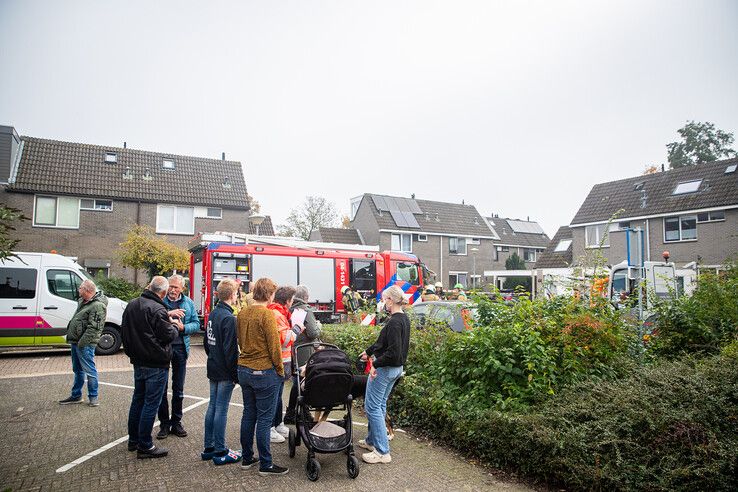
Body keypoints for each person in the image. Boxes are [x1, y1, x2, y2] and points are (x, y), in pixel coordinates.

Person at [122, 276, 179, 459]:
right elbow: (167, 334)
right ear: (162, 292)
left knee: (138, 400)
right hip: (156, 362)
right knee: (150, 404)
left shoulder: (132, 304)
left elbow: (127, 330)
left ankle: (134, 439)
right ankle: (145, 445)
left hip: (138, 361)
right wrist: (175, 325)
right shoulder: (158, 308)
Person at [237, 277, 289, 476]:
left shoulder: (242, 314)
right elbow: (274, 347)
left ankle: (247, 458)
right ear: (269, 294)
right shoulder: (266, 315)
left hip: (244, 369)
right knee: (265, 419)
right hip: (264, 371)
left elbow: (241, 341)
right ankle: (266, 464)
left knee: (248, 414)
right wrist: (279, 370)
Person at [358, 285, 410, 464]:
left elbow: (393, 352)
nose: (383, 303)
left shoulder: (394, 322)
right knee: (379, 405)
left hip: (386, 369)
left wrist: (375, 363)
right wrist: (368, 351)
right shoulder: (403, 319)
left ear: (391, 300)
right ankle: (372, 441)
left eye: (384, 299)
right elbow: (384, 342)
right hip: (396, 369)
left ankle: (382, 451)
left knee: (372, 407)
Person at [202, 279, 242, 465]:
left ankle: (208, 447)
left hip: (213, 366)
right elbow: (230, 350)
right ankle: (220, 450)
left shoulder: (212, 314)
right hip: (225, 371)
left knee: (212, 406)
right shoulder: (228, 318)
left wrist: (213, 357)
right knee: (222, 409)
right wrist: (235, 374)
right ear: (233, 295)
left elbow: (207, 343)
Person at [157, 274, 200, 440]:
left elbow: (196, 324)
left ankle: (176, 422)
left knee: (178, 388)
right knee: (161, 387)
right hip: (162, 348)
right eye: (170, 286)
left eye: (176, 287)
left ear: (182, 288)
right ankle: (164, 424)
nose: (172, 290)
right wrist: (168, 315)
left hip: (181, 348)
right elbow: (153, 320)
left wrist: (183, 327)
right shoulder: (160, 301)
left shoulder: (188, 303)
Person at [58, 279, 108, 407]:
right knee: (78, 370)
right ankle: (76, 396)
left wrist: (82, 343)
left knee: (90, 371)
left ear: (87, 290)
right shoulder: (82, 301)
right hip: (76, 342)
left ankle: (93, 398)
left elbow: (94, 328)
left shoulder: (98, 306)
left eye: (80, 288)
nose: (78, 290)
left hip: (84, 344)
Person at [283, 285, 321, 425]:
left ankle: (292, 413)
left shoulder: (289, 308)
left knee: (296, 382)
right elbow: (312, 333)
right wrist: (318, 326)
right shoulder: (306, 310)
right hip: (305, 351)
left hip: (292, 349)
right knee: (303, 382)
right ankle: (302, 414)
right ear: (306, 297)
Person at [267, 286, 297, 443]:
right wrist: (296, 332)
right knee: (274, 396)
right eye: (292, 300)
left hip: (282, 361)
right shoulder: (277, 314)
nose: (292, 303)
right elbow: (284, 338)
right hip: (277, 361)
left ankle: (278, 423)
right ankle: (271, 427)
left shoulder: (279, 312)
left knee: (278, 395)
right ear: (287, 301)